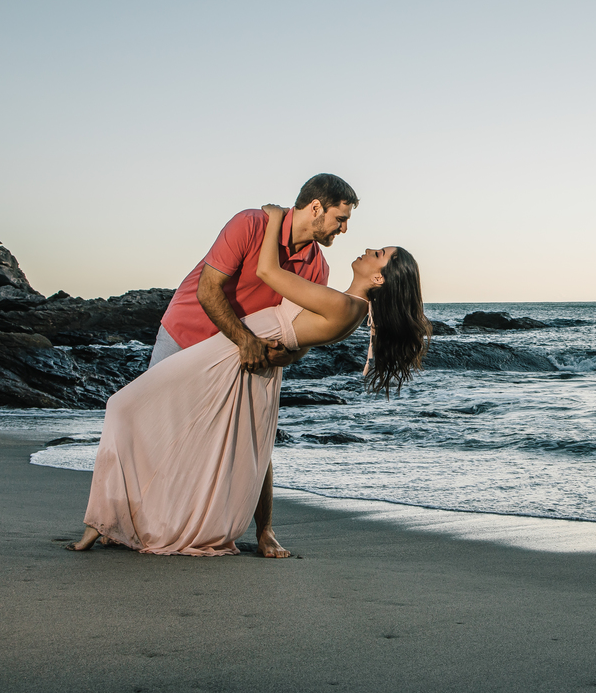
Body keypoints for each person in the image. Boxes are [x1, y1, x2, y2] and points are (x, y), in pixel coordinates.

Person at [67, 204, 430, 556]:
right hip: (237, 352)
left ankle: (106, 520)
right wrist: (286, 352)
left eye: (378, 254)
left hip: (231, 357)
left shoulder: (346, 306)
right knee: (194, 432)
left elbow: (267, 272)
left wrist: (272, 218)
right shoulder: (345, 303)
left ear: (379, 278)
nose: (368, 249)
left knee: (125, 407)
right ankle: (114, 518)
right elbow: (300, 333)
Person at [148, 173, 358, 556]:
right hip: (186, 334)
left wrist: (289, 355)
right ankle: (129, 519)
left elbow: (301, 334)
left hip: (242, 358)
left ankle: (265, 532)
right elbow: (208, 289)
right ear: (316, 207)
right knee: (155, 429)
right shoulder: (250, 224)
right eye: (340, 219)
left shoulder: (317, 268)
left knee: (256, 439)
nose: (344, 229)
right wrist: (244, 339)